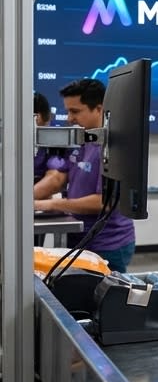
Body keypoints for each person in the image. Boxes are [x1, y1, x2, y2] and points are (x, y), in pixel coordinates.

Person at [33, 78, 137, 273]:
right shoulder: (81, 138)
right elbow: (58, 178)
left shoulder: (113, 147)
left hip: (107, 244)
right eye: (67, 111)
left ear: (99, 109)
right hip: (79, 237)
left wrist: (49, 204)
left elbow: (102, 202)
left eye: (75, 111)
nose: (69, 118)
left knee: (103, 291)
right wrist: (22, 200)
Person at [33, 92, 67, 197]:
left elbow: (55, 177)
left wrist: (22, 200)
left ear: (37, 117)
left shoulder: (58, 138)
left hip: (40, 196)